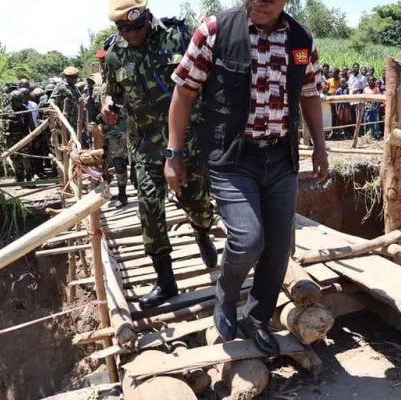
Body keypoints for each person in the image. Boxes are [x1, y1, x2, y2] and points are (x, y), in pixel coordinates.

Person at [166, 0, 328, 355]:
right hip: (232, 157)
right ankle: (225, 295)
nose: (258, 2)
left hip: (281, 157)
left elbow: (310, 94)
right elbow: (184, 92)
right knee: (248, 238)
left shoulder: (301, 40)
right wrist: (174, 154)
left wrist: (319, 146)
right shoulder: (215, 31)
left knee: (277, 246)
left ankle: (258, 316)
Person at [102, 0, 217, 310]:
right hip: (144, 146)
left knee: (197, 202)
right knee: (150, 208)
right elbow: (111, 89)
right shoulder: (113, 53)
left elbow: (207, 79)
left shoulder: (178, 37)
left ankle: (202, 230)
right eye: (123, 29)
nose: (130, 34)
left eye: (135, 27)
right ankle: (165, 281)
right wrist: (108, 105)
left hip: (186, 143)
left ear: (147, 18)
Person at [97, 49, 129, 207]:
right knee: (104, 161)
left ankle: (123, 195)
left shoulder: (121, 80)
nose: (103, 67)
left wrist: (115, 112)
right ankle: (106, 192)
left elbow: (126, 104)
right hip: (105, 129)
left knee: (119, 162)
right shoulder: (105, 84)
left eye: (104, 63)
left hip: (118, 128)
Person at [3, 90, 35, 183]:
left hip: (24, 137)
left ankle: (29, 178)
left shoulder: (25, 110)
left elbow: (31, 124)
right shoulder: (5, 111)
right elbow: (1, 126)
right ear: (12, 100)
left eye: (21, 101)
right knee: (15, 158)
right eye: (17, 101)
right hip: (11, 138)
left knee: (26, 158)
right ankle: (19, 177)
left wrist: (35, 137)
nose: (19, 103)